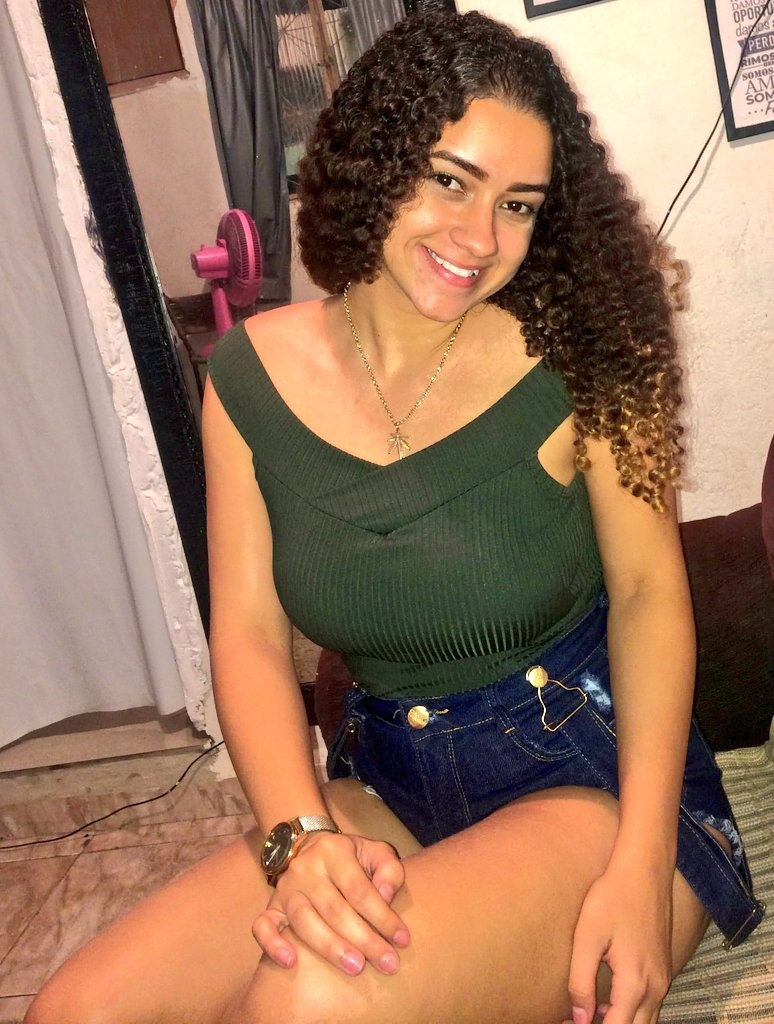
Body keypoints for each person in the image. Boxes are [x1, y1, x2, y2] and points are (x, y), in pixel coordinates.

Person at [26, 11, 764, 1024]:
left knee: (308, 999)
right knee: (78, 1008)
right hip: (390, 779)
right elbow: (246, 636)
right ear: (376, 160)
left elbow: (648, 596)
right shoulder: (247, 379)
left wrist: (643, 862)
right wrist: (300, 837)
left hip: (597, 784)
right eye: (451, 180)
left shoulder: (590, 353)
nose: (480, 238)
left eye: (517, 204)